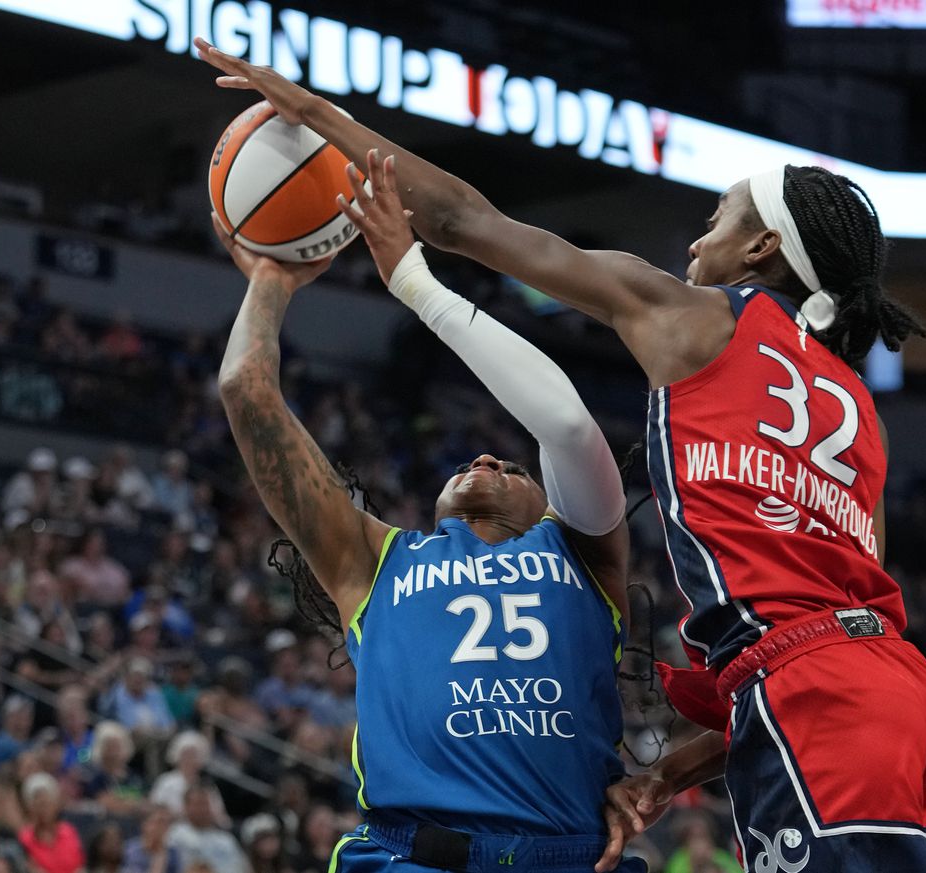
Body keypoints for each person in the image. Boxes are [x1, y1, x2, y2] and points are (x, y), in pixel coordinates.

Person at [195, 42, 926, 873]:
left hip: (810, 699)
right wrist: (667, 771)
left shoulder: (692, 331)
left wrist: (323, 125)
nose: (697, 244)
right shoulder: (858, 409)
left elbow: (464, 224)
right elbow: (846, 615)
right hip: (870, 688)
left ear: (759, 249)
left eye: (716, 222)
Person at [209, 136, 634, 872]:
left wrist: (415, 280)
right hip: (416, 858)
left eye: (511, 465)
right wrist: (272, 274)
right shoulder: (373, 559)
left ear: (550, 503)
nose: (488, 458)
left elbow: (564, 424)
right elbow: (246, 390)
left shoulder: (586, 553)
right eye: (472, 459)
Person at [166, 787, 247, 873]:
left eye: (206, 804)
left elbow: (243, 868)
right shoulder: (174, 835)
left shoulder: (226, 840)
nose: (203, 809)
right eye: (198, 804)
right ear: (186, 807)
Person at [16, 773, 84, 873]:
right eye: (38, 805)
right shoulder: (24, 837)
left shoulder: (69, 831)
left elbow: (80, 866)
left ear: (56, 805)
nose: (43, 810)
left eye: (47, 804)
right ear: (30, 808)